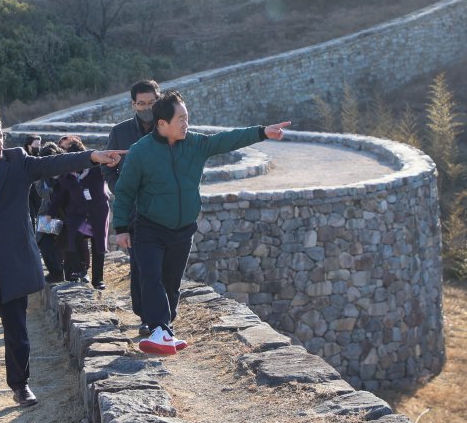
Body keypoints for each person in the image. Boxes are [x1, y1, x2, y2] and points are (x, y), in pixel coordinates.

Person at [0, 108, 124, 423]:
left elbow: (53, 164)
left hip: (13, 262)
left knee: (16, 332)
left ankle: (20, 385)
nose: (0, 143)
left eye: (1, 137)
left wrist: (92, 156)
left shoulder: (17, 161)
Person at [112, 90, 290, 356]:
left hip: (183, 229)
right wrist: (122, 228)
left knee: (172, 282)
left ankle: (165, 328)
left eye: (187, 118)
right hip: (150, 227)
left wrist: (263, 132)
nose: (186, 124)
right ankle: (158, 328)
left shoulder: (196, 144)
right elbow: (125, 190)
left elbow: (226, 140)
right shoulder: (141, 152)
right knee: (151, 277)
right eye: (181, 119)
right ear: (162, 124)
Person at [105, 79, 160, 331]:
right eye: (141, 104)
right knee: (140, 266)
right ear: (133, 104)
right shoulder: (120, 132)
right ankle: (146, 317)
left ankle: (162, 316)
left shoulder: (168, 129)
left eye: (151, 103)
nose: (146, 107)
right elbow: (109, 170)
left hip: (165, 210)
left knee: (164, 267)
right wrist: (123, 194)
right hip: (136, 213)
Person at [48, 136, 110, 289]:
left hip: (98, 211)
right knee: (71, 237)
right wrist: (50, 212)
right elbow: (59, 195)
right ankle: (78, 270)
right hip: (77, 213)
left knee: (98, 245)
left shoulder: (97, 169)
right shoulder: (67, 174)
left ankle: (98, 280)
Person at [34, 142, 66, 283]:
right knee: (44, 241)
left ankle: (60, 272)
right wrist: (56, 191)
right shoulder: (41, 173)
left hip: (62, 213)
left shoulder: (64, 169)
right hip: (48, 213)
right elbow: (41, 191)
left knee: (57, 243)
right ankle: (56, 272)